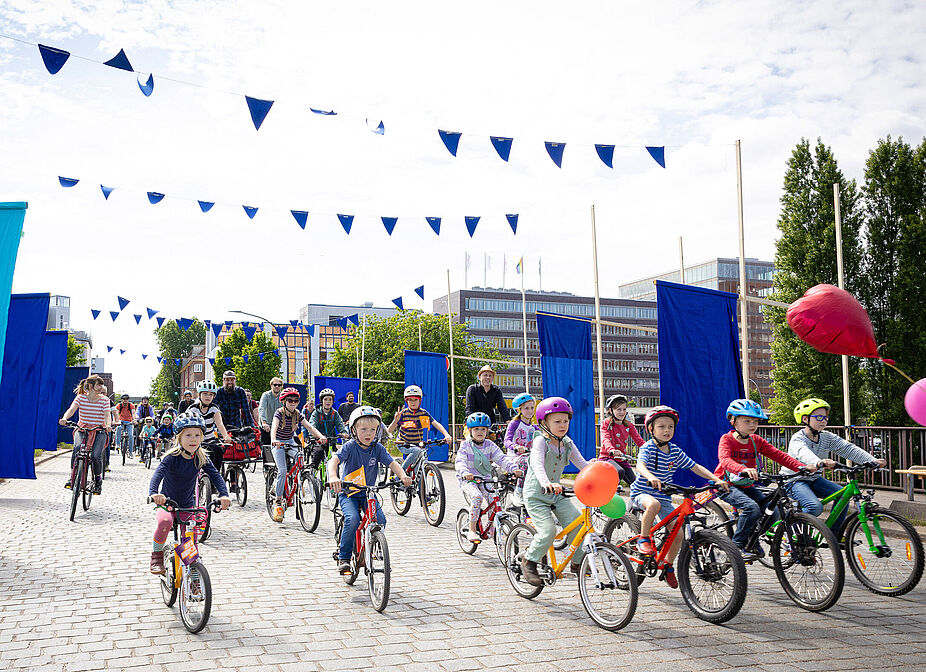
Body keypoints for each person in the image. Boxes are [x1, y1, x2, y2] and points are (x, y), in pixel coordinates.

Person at [629, 406, 729, 589]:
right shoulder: (648, 447)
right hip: (642, 493)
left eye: (670, 427)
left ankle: (667, 566)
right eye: (661, 426)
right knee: (653, 504)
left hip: (664, 498)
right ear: (651, 429)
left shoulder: (674, 451)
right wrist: (651, 477)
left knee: (679, 534)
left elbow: (695, 466)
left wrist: (716, 479)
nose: (666, 430)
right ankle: (643, 539)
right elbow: (641, 465)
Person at [715, 399, 816, 560]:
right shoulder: (727, 439)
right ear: (733, 421)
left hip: (746, 485)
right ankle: (736, 546)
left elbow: (778, 455)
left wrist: (801, 467)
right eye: (747, 421)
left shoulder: (756, 441)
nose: (752, 424)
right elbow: (725, 460)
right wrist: (743, 469)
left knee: (774, 513)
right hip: (725, 484)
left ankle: (751, 539)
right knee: (752, 508)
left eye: (755, 421)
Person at [780, 398, 885, 531]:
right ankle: (791, 531)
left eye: (825, 418)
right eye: (818, 417)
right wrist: (818, 462)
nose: (823, 420)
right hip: (794, 481)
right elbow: (803, 452)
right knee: (814, 507)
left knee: (843, 496)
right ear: (805, 419)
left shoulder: (827, 437)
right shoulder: (798, 438)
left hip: (814, 479)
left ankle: (833, 535)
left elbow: (847, 448)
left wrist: (872, 460)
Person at [328, 407, 412, 574]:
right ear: (353, 430)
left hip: (369, 493)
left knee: (380, 519)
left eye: (373, 430)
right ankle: (344, 557)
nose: (369, 433)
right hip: (349, 493)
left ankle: (373, 545)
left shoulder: (377, 448)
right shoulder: (350, 446)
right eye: (364, 429)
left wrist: (403, 475)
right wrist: (333, 476)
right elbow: (334, 460)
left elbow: (392, 463)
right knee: (352, 520)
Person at [148, 413, 230, 575]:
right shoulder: (171, 457)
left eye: (197, 435)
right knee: (164, 522)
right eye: (188, 435)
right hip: (167, 504)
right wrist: (154, 494)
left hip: (187, 505)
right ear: (179, 438)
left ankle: (193, 576)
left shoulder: (201, 457)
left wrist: (224, 494)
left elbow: (215, 475)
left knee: (190, 542)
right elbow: (157, 475)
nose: (193, 439)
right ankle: (157, 556)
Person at [520, 397, 589, 586]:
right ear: (544, 423)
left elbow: (583, 465)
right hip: (536, 494)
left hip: (557, 494)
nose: (563, 425)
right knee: (548, 531)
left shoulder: (566, 443)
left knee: (578, 525)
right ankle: (529, 560)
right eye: (557, 421)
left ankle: (577, 564)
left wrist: (598, 471)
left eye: (565, 421)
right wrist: (545, 482)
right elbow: (536, 464)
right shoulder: (540, 441)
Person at [456, 412, 523, 542]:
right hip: (469, 480)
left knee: (494, 500)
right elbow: (460, 462)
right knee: (477, 497)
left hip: (486, 479)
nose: (480, 432)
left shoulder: (490, 445)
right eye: (476, 429)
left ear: (487, 430)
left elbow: (501, 459)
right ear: (470, 430)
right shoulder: (465, 445)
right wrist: (465, 472)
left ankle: (492, 527)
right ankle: (472, 530)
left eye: (483, 429)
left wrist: (514, 469)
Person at [270, 388, 328, 522]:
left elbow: (310, 427)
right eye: (290, 400)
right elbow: (274, 427)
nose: (293, 403)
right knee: (283, 471)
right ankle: (278, 502)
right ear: (284, 401)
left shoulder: (297, 414)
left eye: (296, 400)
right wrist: (274, 440)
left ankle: (298, 482)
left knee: (300, 461)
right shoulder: (279, 413)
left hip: (290, 441)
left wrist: (321, 436)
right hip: (278, 442)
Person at [60, 375, 111, 493]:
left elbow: (107, 415)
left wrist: (108, 425)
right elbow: (71, 409)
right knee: (77, 448)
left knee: (95, 455)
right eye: (98, 384)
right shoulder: (80, 398)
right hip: (82, 429)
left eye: (101, 385)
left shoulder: (104, 400)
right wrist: (64, 418)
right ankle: (72, 476)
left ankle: (98, 481)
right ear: (91, 386)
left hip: (99, 430)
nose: (101, 387)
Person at [386, 385, 452, 472]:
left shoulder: (423, 413)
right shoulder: (403, 414)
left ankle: (418, 484)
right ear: (406, 401)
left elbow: (436, 424)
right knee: (417, 451)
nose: (413, 402)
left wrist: (447, 435)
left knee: (419, 468)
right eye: (410, 400)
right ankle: (400, 473)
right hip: (403, 443)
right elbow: (389, 431)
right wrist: (395, 421)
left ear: (420, 400)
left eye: (415, 400)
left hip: (417, 444)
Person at [186, 380, 230, 475]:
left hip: (209, 439)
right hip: (195, 440)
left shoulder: (214, 409)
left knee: (218, 450)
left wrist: (226, 436)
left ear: (214, 396)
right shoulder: (192, 409)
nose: (208, 397)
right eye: (205, 394)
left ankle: (214, 478)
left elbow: (220, 424)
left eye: (211, 394)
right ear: (199, 395)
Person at [599, 394, 644, 484]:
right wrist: (611, 449)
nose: (622, 412)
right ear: (610, 411)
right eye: (618, 409)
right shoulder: (606, 424)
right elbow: (605, 439)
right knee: (619, 471)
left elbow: (639, 440)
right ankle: (611, 492)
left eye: (624, 409)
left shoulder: (628, 425)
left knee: (635, 483)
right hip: (607, 458)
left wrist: (650, 448)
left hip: (621, 459)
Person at [503, 393, 538, 506]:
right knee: (525, 462)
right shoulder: (515, 424)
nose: (530, 411)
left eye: (532, 407)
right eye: (526, 408)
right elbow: (506, 441)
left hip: (530, 456)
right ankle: (518, 491)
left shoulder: (534, 427)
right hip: (514, 457)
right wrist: (516, 447)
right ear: (519, 410)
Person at [308, 388, 349, 469]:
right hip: (318, 441)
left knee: (336, 460)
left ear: (333, 401)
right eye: (325, 399)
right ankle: (311, 476)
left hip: (331, 441)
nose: (328, 402)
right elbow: (312, 426)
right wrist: (317, 436)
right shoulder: (316, 413)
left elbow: (340, 424)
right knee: (318, 454)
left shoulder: (334, 413)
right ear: (322, 401)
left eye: (330, 399)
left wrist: (344, 433)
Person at [258, 377, 284, 445]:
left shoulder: (283, 396)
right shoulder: (266, 395)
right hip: (267, 425)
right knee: (266, 447)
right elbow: (262, 408)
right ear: (271, 385)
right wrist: (264, 422)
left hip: (279, 426)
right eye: (275, 385)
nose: (277, 386)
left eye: (279, 385)